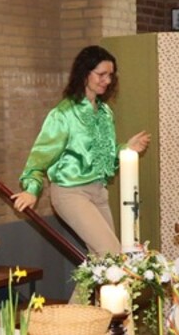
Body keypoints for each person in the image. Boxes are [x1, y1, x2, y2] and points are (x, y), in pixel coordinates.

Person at [10, 46, 150, 255]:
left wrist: (126, 149)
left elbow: (102, 158)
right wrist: (31, 189)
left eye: (110, 75)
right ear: (85, 73)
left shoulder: (104, 112)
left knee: (103, 261)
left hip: (99, 191)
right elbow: (39, 158)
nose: (107, 80)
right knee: (111, 253)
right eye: (101, 74)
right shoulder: (64, 114)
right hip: (71, 192)